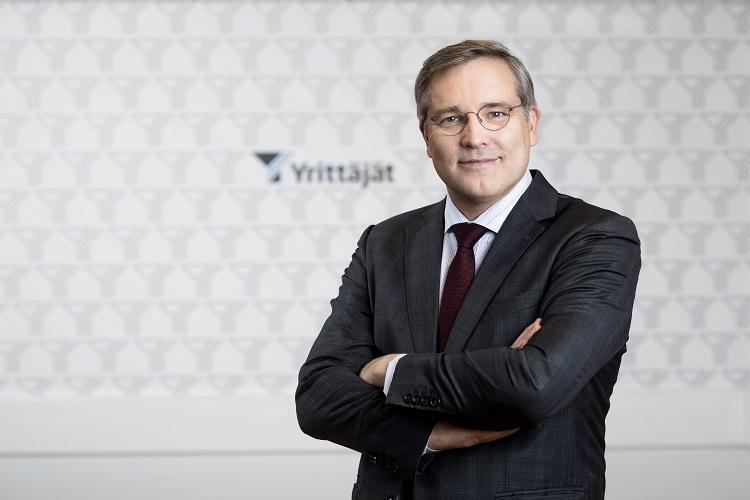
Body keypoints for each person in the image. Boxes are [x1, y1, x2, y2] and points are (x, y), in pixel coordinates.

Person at [295, 39, 641, 500]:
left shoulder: (594, 237)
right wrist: (428, 435)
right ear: (426, 137)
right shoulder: (385, 242)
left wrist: (389, 370)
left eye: (496, 113)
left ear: (531, 123)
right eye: (451, 118)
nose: (475, 137)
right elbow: (317, 395)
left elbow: (535, 384)